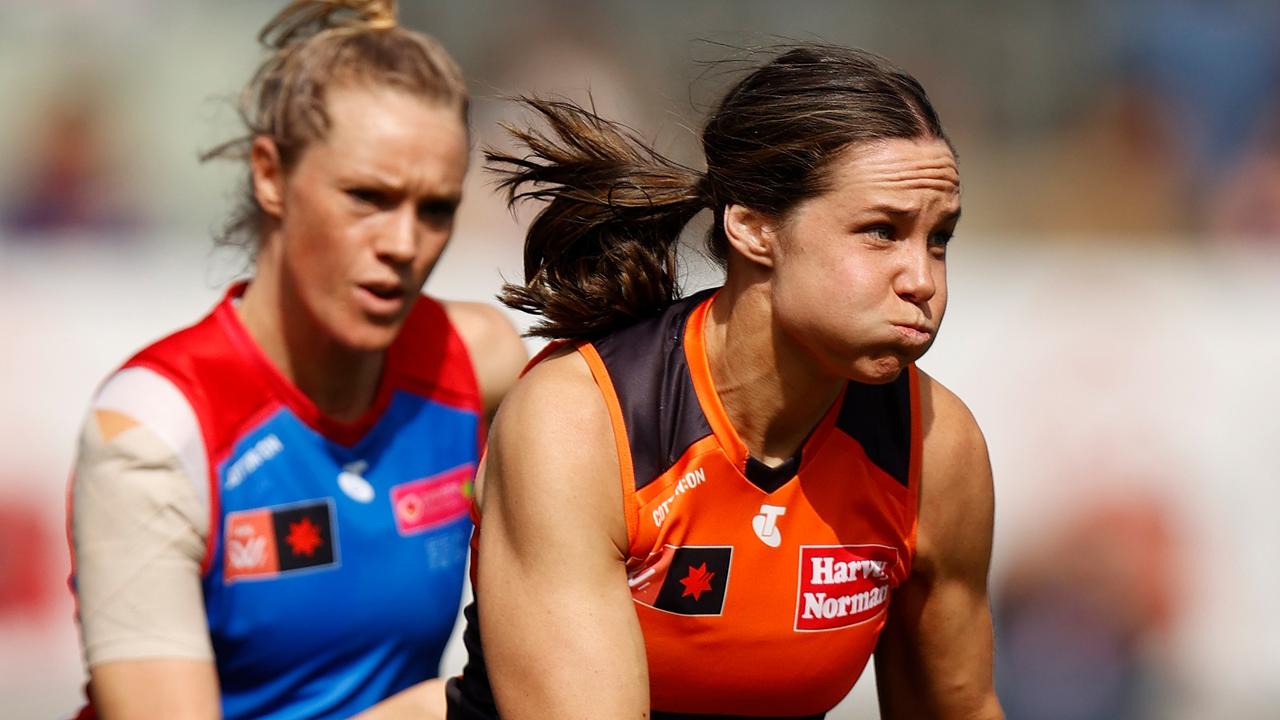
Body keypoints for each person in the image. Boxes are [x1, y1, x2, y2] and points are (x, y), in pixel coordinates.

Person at [447, 45, 1003, 719]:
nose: (923, 280)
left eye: (938, 238)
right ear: (751, 227)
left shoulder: (935, 447)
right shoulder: (580, 422)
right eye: (881, 232)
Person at [67, 2, 526, 718]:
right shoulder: (152, 431)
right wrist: (455, 708)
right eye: (367, 197)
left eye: (435, 209)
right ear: (270, 175)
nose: (404, 244)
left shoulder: (479, 364)